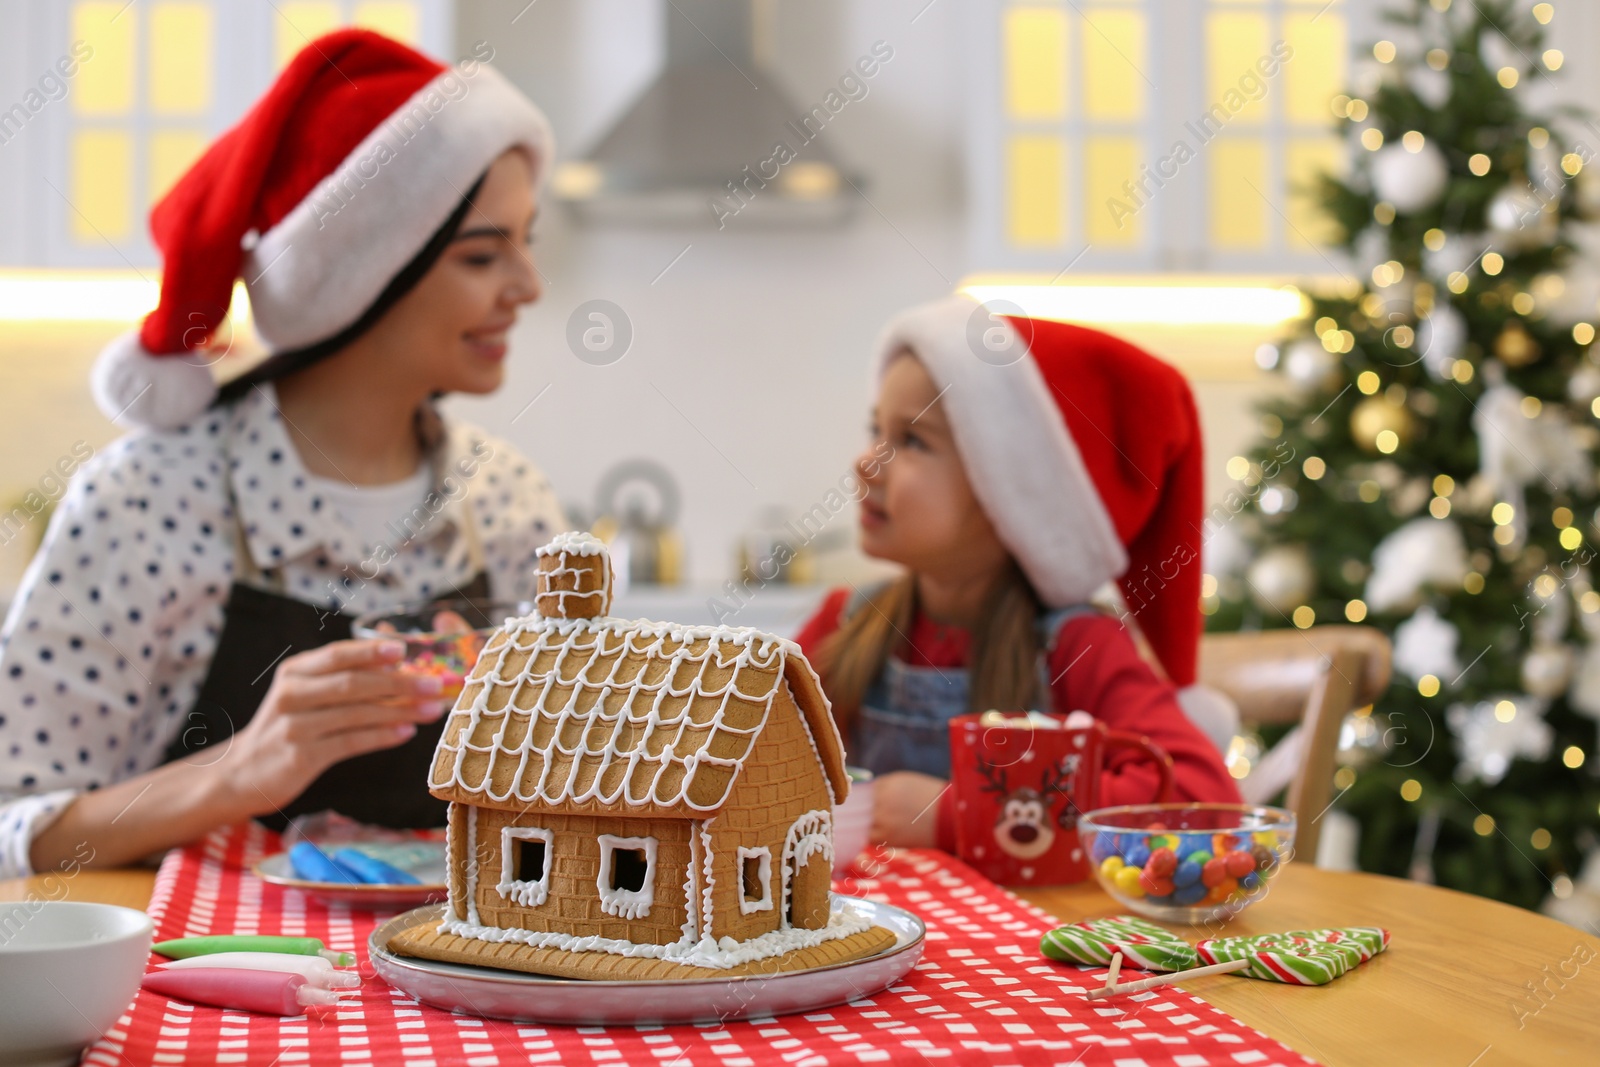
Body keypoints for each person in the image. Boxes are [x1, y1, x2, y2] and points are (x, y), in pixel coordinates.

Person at [0, 30, 565, 879]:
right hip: (206, 999)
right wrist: (240, 767)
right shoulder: (145, 502)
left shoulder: (507, 503)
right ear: (365, 273)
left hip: (454, 998)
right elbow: (13, 832)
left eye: (527, 241)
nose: (527, 285)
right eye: (483, 254)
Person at [794, 297, 1241, 851]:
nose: (867, 463)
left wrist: (966, 814)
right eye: (875, 430)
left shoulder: (1077, 648)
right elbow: (738, 761)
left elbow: (1203, 800)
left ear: (1011, 495)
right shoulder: (845, 623)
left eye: (912, 441)